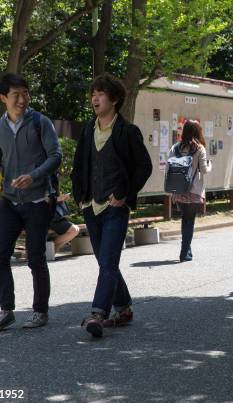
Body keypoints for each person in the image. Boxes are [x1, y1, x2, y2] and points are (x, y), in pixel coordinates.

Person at [71, 73, 153, 337]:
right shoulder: (87, 129)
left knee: (107, 262)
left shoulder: (127, 131)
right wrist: (79, 195)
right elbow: (79, 165)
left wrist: (126, 194)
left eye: (101, 93)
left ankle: (98, 313)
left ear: (114, 99)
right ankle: (124, 307)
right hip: (91, 206)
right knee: (106, 262)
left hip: (115, 207)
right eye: (93, 94)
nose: (95, 98)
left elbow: (144, 166)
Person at [0, 73, 62, 331]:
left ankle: (40, 311)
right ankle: (6, 310)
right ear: (3, 98)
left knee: (36, 257)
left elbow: (56, 156)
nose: (22, 99)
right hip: (8, 200)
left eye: (25, 93)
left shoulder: (40, 122)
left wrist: (35, 175)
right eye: (16, 95)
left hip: (38, 200)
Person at [167, 120, 212, 262]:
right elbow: (204, 170)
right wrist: (210, 165)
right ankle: (184, 252)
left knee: (184, 219)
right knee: (189, 221)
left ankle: (187, 250)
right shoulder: (199, 149)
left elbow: (168, 168)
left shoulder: (175, 148)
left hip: (178, 190)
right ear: (197, 132)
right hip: (193, 190)